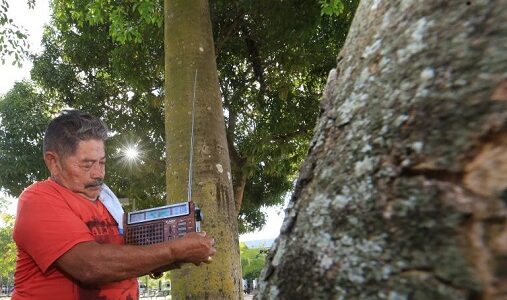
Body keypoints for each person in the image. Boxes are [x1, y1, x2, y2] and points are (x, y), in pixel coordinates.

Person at [12, 110, 216, 300]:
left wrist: (188, 251)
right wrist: (174, 251)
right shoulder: (38, 199)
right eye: (87, 164)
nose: (98, 173)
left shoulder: (108, 202)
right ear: (53, 162)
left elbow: (129, 261)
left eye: (102, 162)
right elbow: (91, 266)